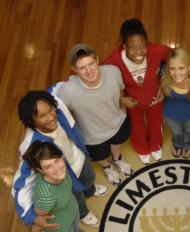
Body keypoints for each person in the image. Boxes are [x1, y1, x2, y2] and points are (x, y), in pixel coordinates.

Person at [12, 91, 106, 229]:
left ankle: (90, 190)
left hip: (79, 156)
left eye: (50, 110)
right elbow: (21, 184)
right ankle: (83, 213)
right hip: (65, 174)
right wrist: (31, 217)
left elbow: (56, 89)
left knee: (89, 178)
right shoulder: (31, 146)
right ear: (31, 121)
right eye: (42, 116)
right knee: (76, 196)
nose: (51, 117)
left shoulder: (58, 109)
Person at [54, 43, 133, 186]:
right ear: (74, 69)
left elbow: (120, 90)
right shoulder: (68, 91)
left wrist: (122, 109)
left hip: (117, 123)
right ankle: (107, 167)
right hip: (92, 137)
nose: (89, 71)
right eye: (82, 68)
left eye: (91, 64)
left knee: (116, 143)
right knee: (101, 156)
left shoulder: (113, 72)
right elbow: (62, 114)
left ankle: (117, 158)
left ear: (97, 59)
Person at [103, 18, 172, 164]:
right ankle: (141, 148)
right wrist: (120, 99)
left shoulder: (157, 50)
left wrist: (164, 84)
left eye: (143, 46)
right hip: (132, 102)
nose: (139, 52)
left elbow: (177, 58)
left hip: (155, 98)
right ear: (124, 46)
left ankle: (155, 145)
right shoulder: (114, 60)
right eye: (132, 47)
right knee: (136, 125)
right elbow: (99, 79)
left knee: (155, 122)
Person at [22, 141, 80, 232]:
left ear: (62, 157)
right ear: (40, 170)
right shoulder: (45, 195)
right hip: (62, 226)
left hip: (73, 211)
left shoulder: (61, 172)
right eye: (48, 167)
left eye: (57, 160)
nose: (57, 169)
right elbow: (41, 218)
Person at [160, 48, 190, 158]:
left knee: (189, 131)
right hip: (171, 114)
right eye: (172, 68)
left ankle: (188, 145)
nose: (177, 73)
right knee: (177, 132)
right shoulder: (164, 76)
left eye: (181, 68)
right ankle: (178, 144)